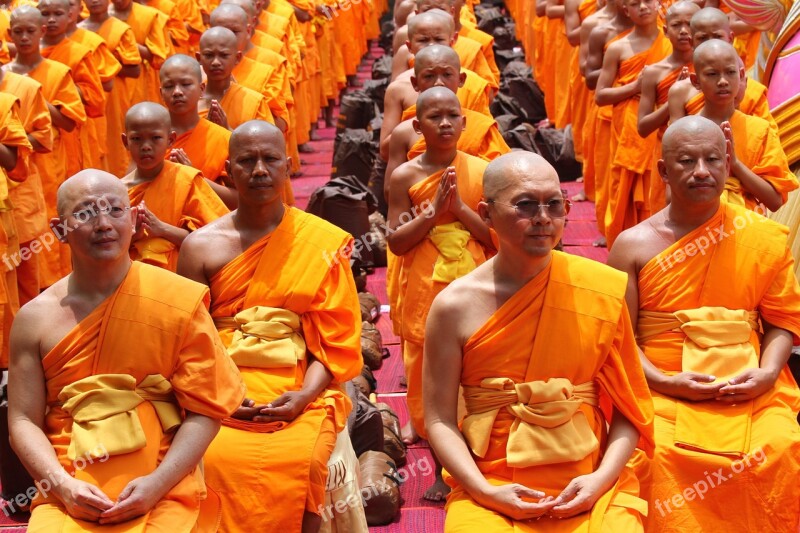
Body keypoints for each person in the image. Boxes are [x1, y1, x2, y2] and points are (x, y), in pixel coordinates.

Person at [424, 151, 654, 530]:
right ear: (485, 214)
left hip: (587, 474)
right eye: (525, 205)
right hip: (494, 482)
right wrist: (484, 491)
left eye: (554, 205)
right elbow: (438, 420)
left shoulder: (598, 288)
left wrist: (599, 480)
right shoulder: (454, 305)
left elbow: (631, 409)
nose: (543, 218)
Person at [7, 169, 245, 530]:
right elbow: (23, 420)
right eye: (86, 213)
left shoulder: (175, 298)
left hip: (163, 483)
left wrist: (157, 485)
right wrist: (64, 487)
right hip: (70, 486)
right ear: (59, 231)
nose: (104, 223)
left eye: (115, 210)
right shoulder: (35, 318)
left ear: (133, 220)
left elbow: (206, 409)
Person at [607, 115, 800, 532]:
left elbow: (783, 321)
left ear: (728, 165)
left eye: (713, 159)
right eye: (686, 161)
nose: (701, 171)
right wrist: (664, 381)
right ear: (663, 171)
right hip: (663, 385)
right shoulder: (634, 244)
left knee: (781, 443)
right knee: (657, 452)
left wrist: (767, 373)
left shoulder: (761, 234)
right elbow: (619, 337)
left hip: (749, 381)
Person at [177, 120, 363, 532]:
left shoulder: (321, 242)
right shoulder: (200, 246)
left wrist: (304, 396)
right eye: (246, 160)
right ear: (228, 170)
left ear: (287, 165)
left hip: (300, 382)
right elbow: (190, 341)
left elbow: (332, 344)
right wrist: (221, 397)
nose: (259, 169)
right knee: (217, 459)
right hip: (225, 385)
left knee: (307, 460)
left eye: (269, 159)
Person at [387, 85, 494, 499]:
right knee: (426, 379)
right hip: (424, 287)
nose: (445, 123)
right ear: (417, 125)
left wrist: (461, 211)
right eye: (434, 117)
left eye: (453, 115)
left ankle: (478, 462)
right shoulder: (406, 176)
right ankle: (437, 468)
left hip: (476, 284)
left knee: (475, 375)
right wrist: (431, 216)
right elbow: (396, 241)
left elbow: (497, 237)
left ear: (465, 122)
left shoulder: (483, 172)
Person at [6, 5, 86, 288]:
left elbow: (68, 122)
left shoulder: (56, 72)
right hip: (13, 177)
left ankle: (55, 291)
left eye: (30, 31)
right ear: (9, 35)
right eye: (19, 32)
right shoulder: (5, 77)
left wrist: (35, 95)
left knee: (50, 236)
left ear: (40, 32)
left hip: (48, 166)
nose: (25, 37)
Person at [595, 0, 671, 247]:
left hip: (662, 121)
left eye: (648, 1)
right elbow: (601, 95)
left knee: (658, 180)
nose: (643, 7)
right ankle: (624, 240)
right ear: (625, 10)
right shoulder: (618, 48)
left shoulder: (672, 43)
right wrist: (634, 87)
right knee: (626, 183)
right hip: (629, 123)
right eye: (634, 3)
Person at [122, 102, 229, 272]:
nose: (146, 146)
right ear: (125, 141)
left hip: (184, 283)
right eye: (136, 139)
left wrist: (162, 229)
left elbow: (217, 241)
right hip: (135, 283)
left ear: (170, 140)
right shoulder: (119, 191)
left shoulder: (186, 180)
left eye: (155, 138)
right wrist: (132, 237)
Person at [690, 39, 795, 211]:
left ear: (740, 76)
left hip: (745, 227)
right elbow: (672, 198)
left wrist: (736, 165)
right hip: (700, 231)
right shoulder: (685, 132)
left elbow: (775, 202)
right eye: (712, 74)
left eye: (730, 72)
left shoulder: (760, 130)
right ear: (695, 81)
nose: (723, 81)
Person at [636, 0, 698, 212]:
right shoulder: (654, 72)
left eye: (690, 24)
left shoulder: (713, 70)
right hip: (668, 152)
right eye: (676, 25)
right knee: (665, 217)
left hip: (705, 151)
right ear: (665, 30)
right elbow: (643, 127)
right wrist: (673, 99)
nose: (683, 31)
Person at [159, 54, 236, 209]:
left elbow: (239, 200)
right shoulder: (151, 136)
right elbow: (133, 188)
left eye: (186, 84)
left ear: (201, 89)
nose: (177, 92)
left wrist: (194, 177)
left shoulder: (222, 139)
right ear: (161, 93)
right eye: (169, 86)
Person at [79, 0, 142, 177]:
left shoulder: (120, 29)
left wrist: (106, 65)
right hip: (89, 96)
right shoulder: (78, 31)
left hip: (113, 95)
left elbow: (134, 69)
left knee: (114, 141)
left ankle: (118, 184)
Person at [110, 0, 171, 105]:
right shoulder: (101, 17)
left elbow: (160, 58)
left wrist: (130, 44)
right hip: (110, 85)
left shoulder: (148, 16)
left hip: (140, 81)